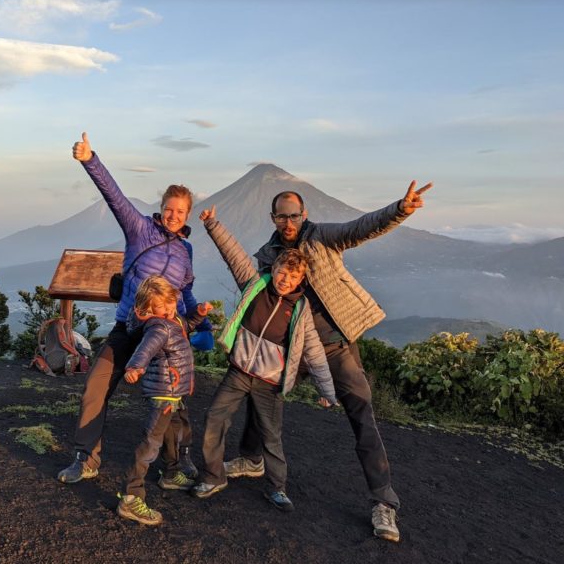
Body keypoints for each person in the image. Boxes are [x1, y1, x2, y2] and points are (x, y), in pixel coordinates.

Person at [224, 182, 432, 541]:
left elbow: (361, 227)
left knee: (361, 413)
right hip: (294, 348)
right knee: (260, 392)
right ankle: (252, 457)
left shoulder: (321, 237)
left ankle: (384, 502)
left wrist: (400, 209)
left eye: (294, 215)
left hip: (336, 345)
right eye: (281, 216)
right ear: (273, 218)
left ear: (303, 215)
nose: (288, 221)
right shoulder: (267, 254)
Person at [57, 132, 212, 484]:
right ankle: (85, 458)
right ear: (162, 207)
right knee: (96, 386)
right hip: (130, 327)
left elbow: (184, 291)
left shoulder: (185, 251)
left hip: (166, 332)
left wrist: (198, 320)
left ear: (188, 213)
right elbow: (115, 197)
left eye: (181, 211)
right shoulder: (140, 229)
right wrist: (89, 159)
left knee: (174, 399)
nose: (174, 215)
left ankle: (177, 461)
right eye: (169, 208)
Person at [191, 206, 338, 512]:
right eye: (283, 271)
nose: (285, 279)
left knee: (271, 436)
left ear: (301, 280)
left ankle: (277, 488)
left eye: (293, 275)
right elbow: (235, 255)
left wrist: (327, 392)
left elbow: (313, 352)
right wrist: (212, 224)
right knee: (214, 418)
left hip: (269, 383)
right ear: (276, 268)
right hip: (239, 371)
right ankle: (214, 476)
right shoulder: (256, 285)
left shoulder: (300, 311)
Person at [117, 276, 212, 526]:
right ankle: (131, 497)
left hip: (173, 391)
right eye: (163, 307)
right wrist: (135, 367)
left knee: (174, 433)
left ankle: (170, 474)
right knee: (151, 442)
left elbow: (185, 325)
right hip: (163, 392)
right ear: (147, 308)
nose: (169, 311)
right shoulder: (158, 327)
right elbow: (146, 349)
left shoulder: (171, 319)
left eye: (171, 305)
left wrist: (199, 314)